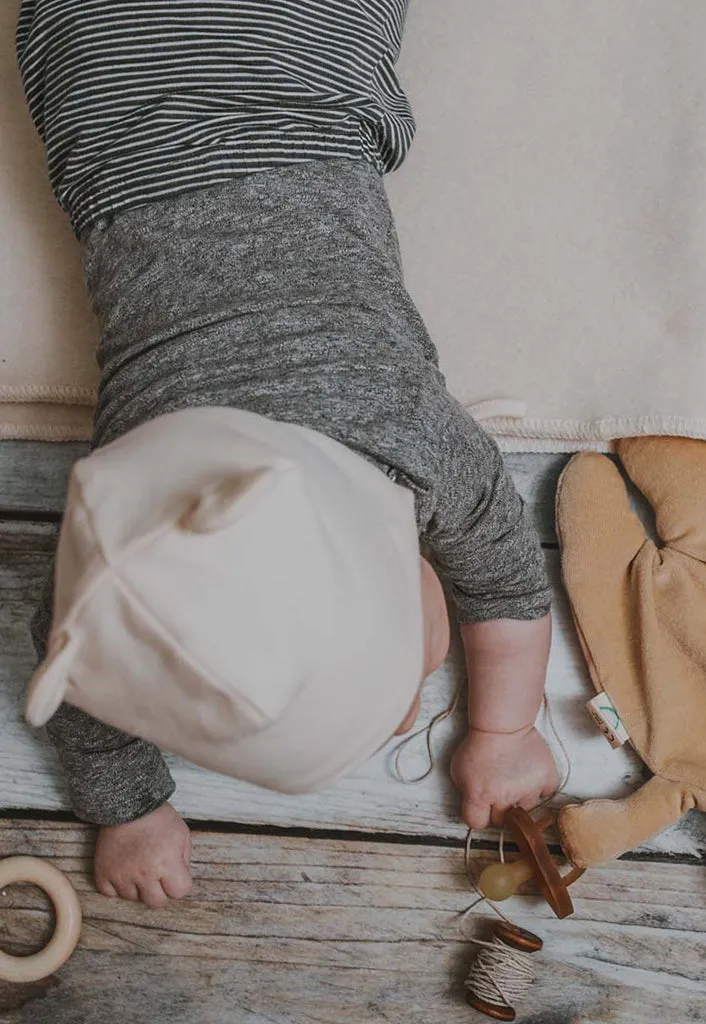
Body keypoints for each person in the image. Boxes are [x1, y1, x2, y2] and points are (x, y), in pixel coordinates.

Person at [16, 0, 559, 910]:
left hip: (257, 59)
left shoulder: (407, 429)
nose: (411, 706)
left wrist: (506, 731)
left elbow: (506, 588)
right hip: (108, 69)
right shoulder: (114, 555)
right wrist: (128, 810)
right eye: (418, 681)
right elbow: (67, 673)